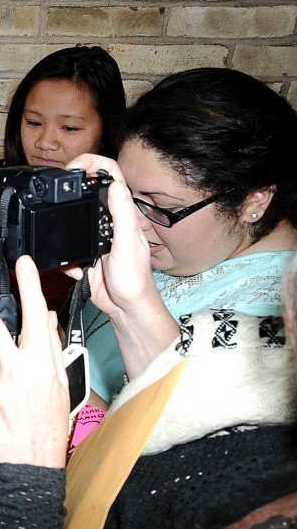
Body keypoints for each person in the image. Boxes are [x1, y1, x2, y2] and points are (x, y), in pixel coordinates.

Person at [0, 157, 296, 529]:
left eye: (162, 207)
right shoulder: (252, 379)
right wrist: (130, 304)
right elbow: (195, 415)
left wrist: (24, 481)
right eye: (126, 200)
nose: (135, 224)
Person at [81, 68, 297, 407]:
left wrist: (58, 381)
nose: (131, 221)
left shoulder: (271, 324)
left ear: (253, 202)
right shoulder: (194, 245)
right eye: (124, 193)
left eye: (163, 207)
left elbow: (188, 427)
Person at [0, 45, 126, 312]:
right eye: (34, 122)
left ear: (106, 132)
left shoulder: (121, 219)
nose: (45, 142)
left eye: (69, 128)